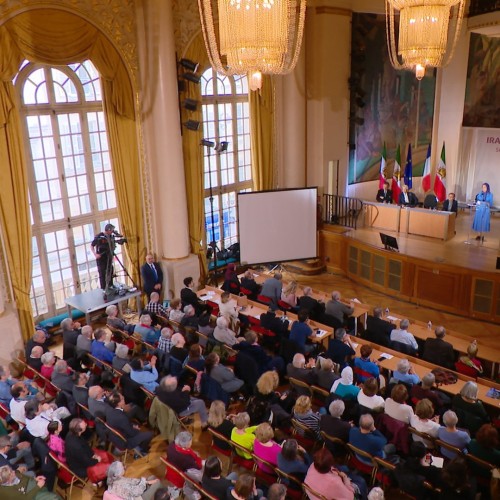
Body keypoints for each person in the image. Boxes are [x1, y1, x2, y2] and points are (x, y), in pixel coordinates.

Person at [65, 418, 113, 484]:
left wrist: (93, 454)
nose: (86, 424)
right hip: (81, 467)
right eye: (84, 424)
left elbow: (85, 445)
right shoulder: (76, 446)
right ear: (80, 430)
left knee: (105, 455)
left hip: (85, 457)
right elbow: (87, 462)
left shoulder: (72, 433)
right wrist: (97, 460)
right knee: (106, 467)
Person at [165, 430, 203, 499]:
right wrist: (198, 458)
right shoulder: (187, 459)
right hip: (181, 473)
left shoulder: (171, 446)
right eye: (191, 442)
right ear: (187, 445)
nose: (191, 444)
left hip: (172, 466)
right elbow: (198, 466)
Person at [90, 223, 118, 291]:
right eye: (111, 230)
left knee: (110, 270)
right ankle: (104, 288)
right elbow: (92, 245)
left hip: (108, 257)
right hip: (101, 258)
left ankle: (110, 285)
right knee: (102, 273)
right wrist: (95, 254)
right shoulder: (100, 236)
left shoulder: (111, 236)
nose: (112, 232)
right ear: (108, 230)